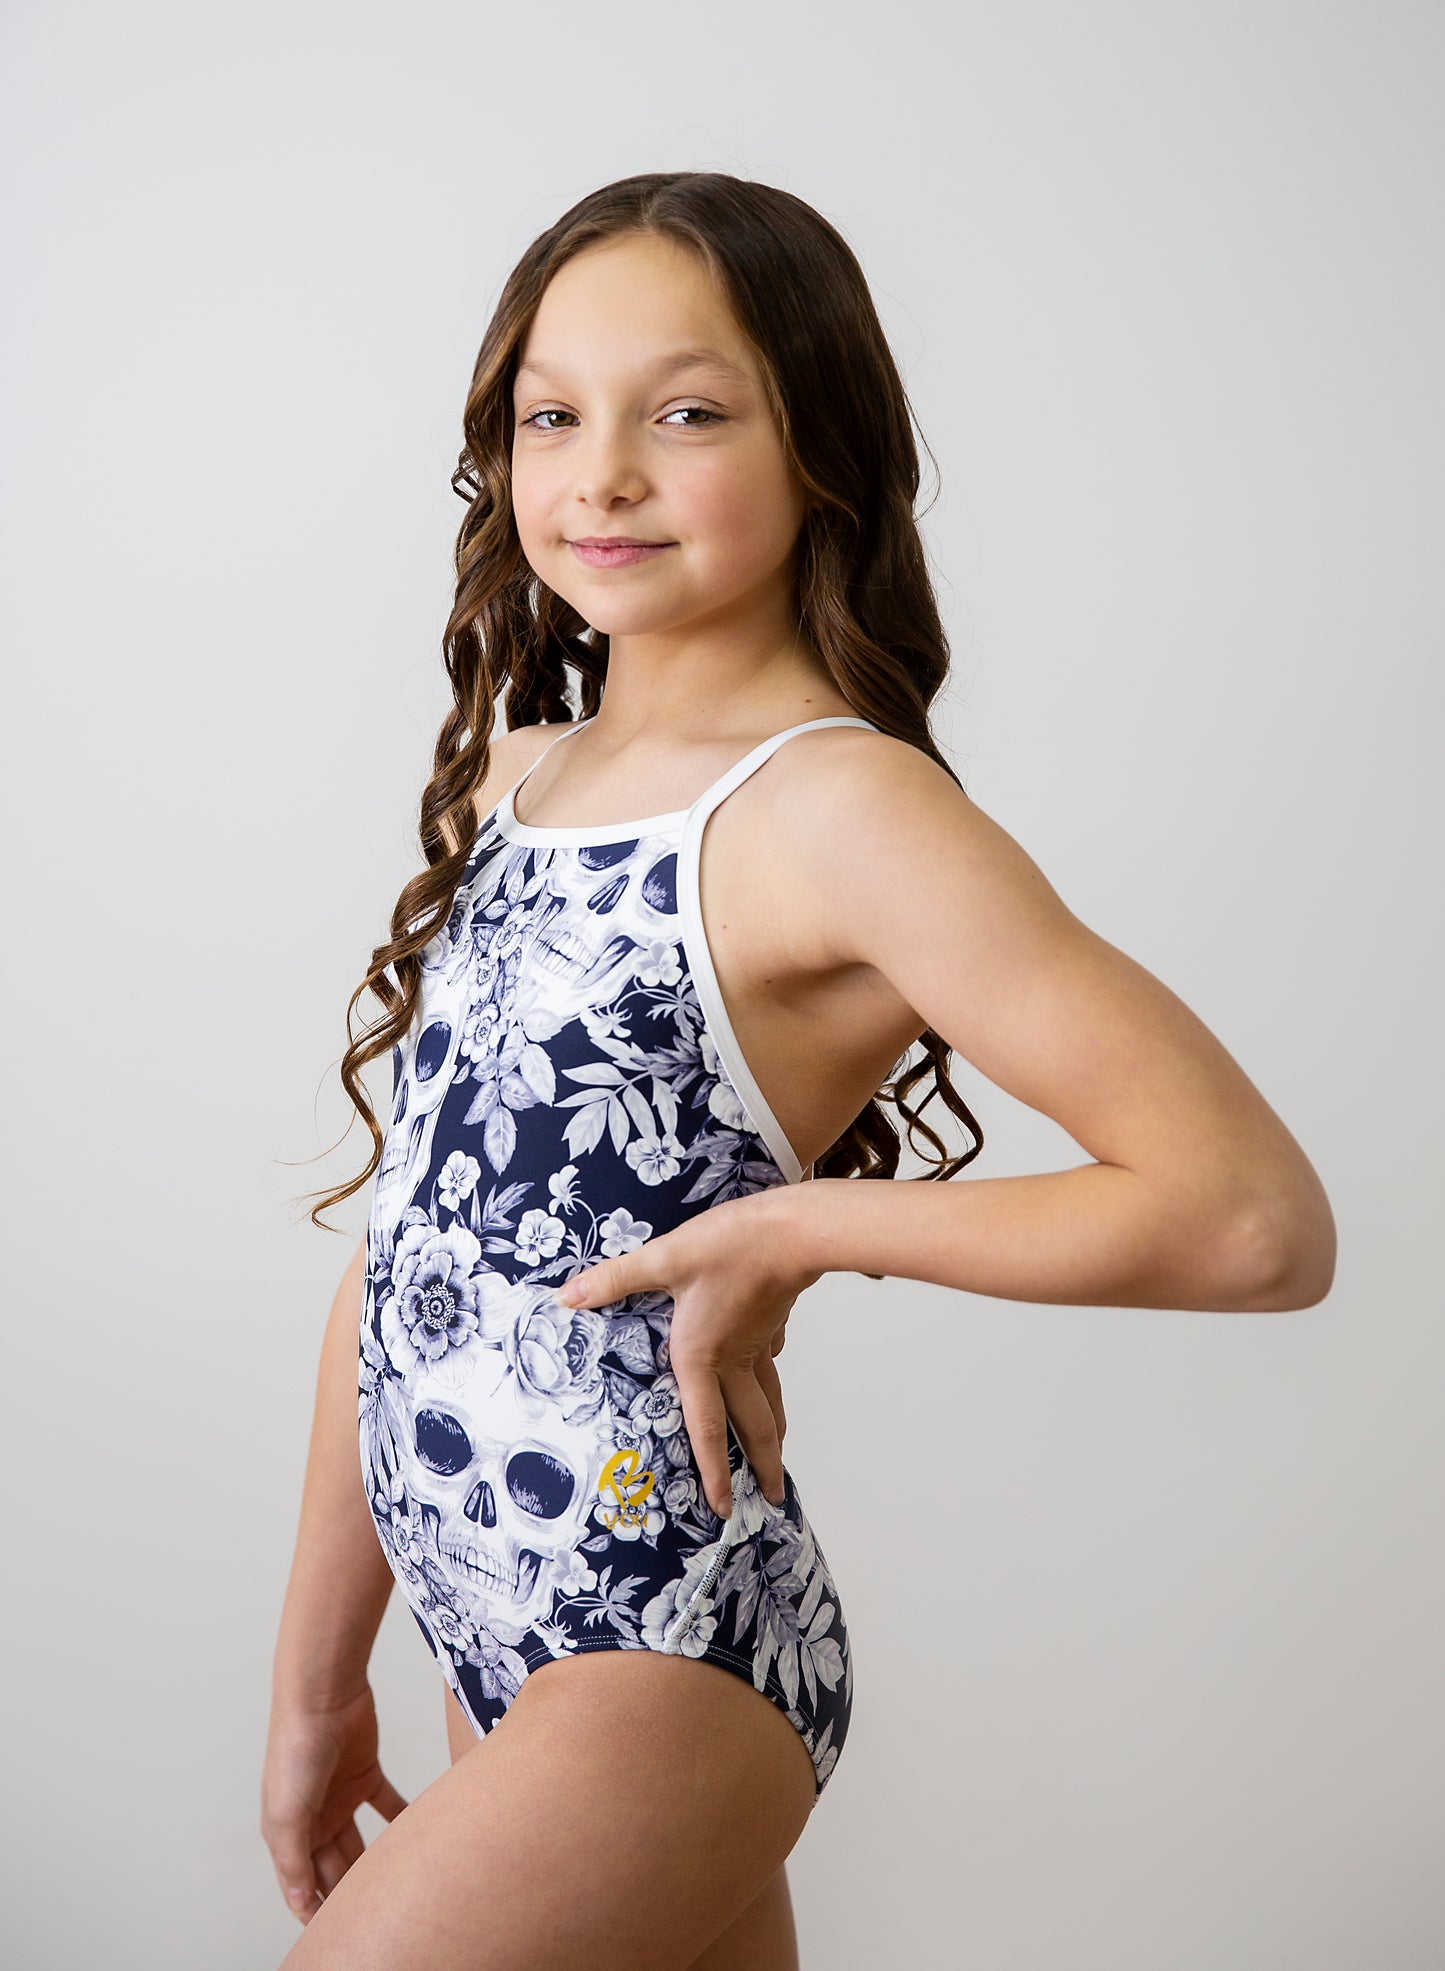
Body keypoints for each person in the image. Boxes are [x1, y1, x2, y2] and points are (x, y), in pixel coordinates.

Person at [260, 171, 1336, 1971]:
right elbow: (404, 1267)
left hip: (659, 1634)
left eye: (684, 414)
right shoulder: (510, 784)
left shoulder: (839, 812)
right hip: (480, 1613)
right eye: (551, 415)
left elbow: (1249, 1223)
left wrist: (803, 1228)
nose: (602, 473)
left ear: (820, 446)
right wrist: (315, 1685)